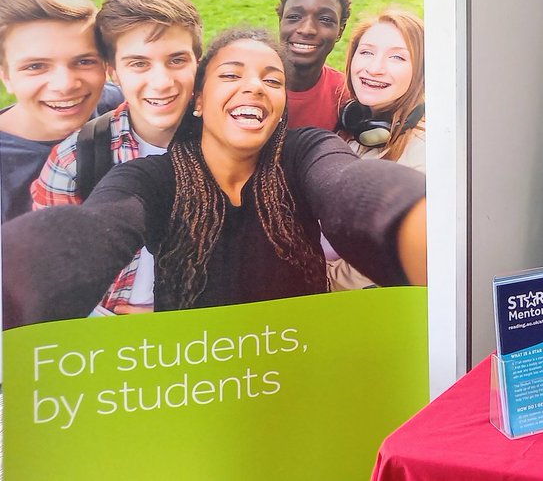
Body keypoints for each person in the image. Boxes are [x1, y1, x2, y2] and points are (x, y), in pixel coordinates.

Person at [2, 28, 427, 328]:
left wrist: (418, 226)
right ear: (199, 101)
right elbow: (96, 227)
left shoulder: (306, 151)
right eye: (230, 75)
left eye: (272, 80)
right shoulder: (150, 178)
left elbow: (349, 185)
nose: (254, 87)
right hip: (194, 390)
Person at [30, 0, 203, 315]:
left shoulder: (229, 145)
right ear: (113, 72)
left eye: (177, 60)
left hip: (207, 330)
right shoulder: (73, 161)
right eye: (139, 63)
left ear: (198, 62)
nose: (162, 82)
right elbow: (51, 277)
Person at [0, 0, 122, 221]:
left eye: (84, 61)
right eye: (36, 66)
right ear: (6, 77)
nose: (65, 85)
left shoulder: (119, 105)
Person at [339, 9, 426, 170]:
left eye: (397, 57)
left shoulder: (425, 153)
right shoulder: (345, 130)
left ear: (422, 71)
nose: (374, 69)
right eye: (366, 52)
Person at [277, 0, 352, 130]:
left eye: (325, 19)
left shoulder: (344, 96)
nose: (307, 30)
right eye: (294, 17)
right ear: (280, 22)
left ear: (340, 31)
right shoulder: (249, 85)